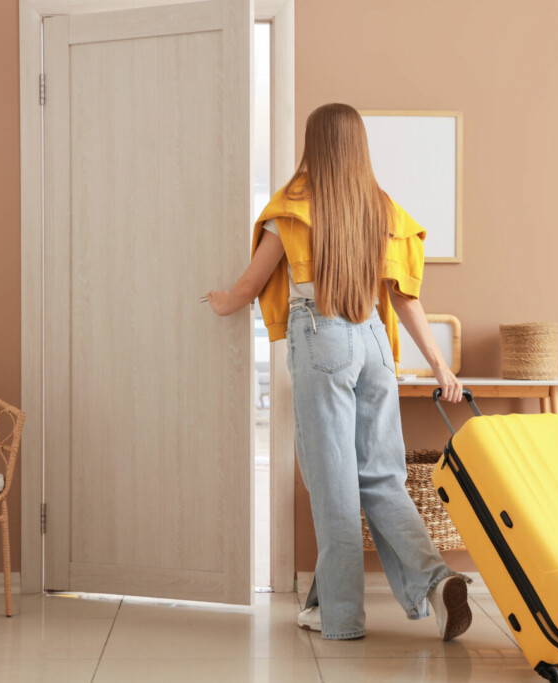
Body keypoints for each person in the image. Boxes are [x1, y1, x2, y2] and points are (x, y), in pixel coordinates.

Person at [205, 103, 472, 641]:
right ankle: (436, 579)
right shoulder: (382, 210)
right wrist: (441, 365)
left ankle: (342, 617)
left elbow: (248, 288)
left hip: (321, 335)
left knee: (334, 485)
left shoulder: (293, 208)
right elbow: (405, 299)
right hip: (373, 339)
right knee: (382, 477)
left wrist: (218, 301)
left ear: (314, 145)